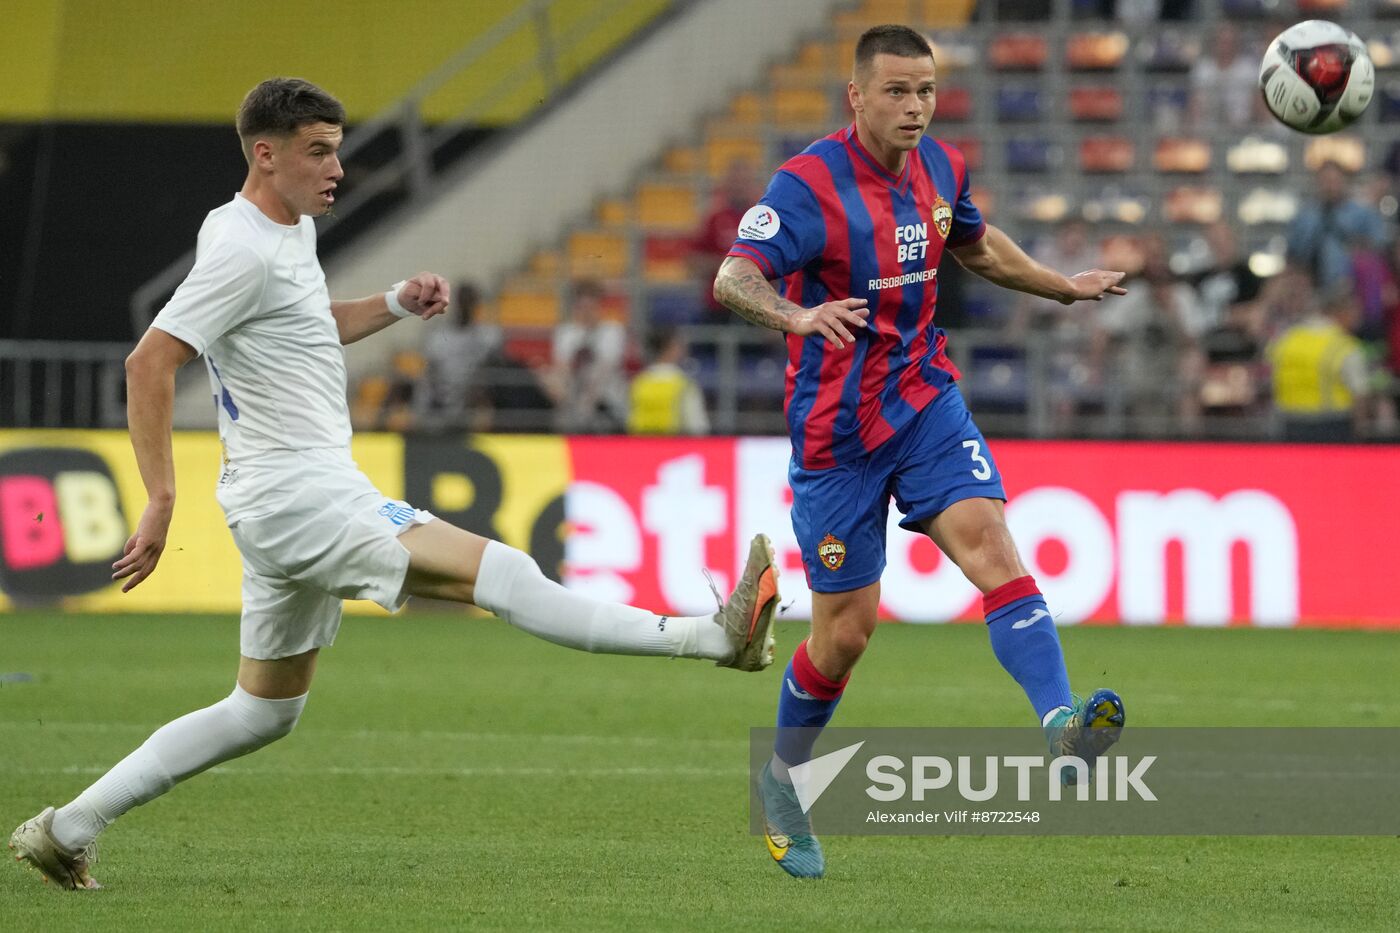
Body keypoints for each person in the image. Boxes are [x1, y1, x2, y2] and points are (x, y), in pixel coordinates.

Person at [8, 78, 780, 891]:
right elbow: (150, 360)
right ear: (265, 155)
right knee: (503, 574)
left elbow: (304, 321)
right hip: (299, 495)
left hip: (284, 498)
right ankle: (714, 637)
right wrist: (161, 498)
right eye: (318, 150)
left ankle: (66, 828)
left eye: (338, 148)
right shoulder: (242, 249)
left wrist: (394, 304)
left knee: (263, 710)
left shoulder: (273, 230)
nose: (337, 167)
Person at [713, 26, 1128, 880]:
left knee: (992, 543)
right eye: (897, 91)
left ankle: (1060, 728)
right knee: (846, 635)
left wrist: (1062, 285)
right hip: (836, 438)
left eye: (926, 91)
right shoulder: (807, 187)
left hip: (924, 399)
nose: (915, 107)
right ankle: (783, 781)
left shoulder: (943, 169)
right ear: (856, 96)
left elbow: (975, 245)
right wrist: (797, 315)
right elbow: (733, 277)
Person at [1268, 287, 1371, 442]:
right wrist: (1359, 433)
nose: (1358, 318)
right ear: (1341, 312)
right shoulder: (1344, 347)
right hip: (1333, 426)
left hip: (1289, 424)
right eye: (1354, 312)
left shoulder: (1287, 339)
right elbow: (1360, 394)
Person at [1286, 161, 1392, 293]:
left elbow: (1377, 250)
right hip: (1310, 288)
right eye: (1325, 181)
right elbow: (1293, 254)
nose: (1330, 186)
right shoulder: (1305, 216)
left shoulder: (1363, 213)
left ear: (1344, 181)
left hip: (1353, 289)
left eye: (1334, 181)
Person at [544, 279, 630, 433]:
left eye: (591, 307)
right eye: (582, 307)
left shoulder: (612, 331)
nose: (586, 311)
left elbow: (605, 368)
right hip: (573, 400)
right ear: (575, 307)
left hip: (606, 399)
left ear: (599, 306)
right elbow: (562, 367)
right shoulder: (566, 333)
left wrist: (587, 404)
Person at [627, 327, 710, 435]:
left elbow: (629, 419)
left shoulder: (638, 382)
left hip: (640, 446)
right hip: (673, 446)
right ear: (672, 348)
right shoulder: (683, 384)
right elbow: (697, 426)